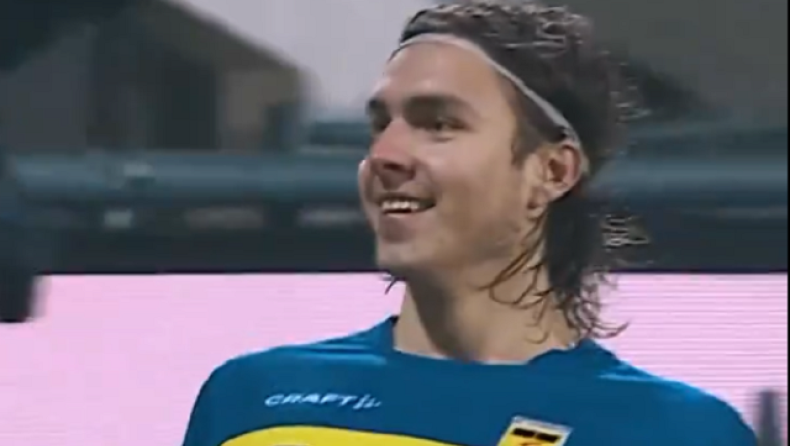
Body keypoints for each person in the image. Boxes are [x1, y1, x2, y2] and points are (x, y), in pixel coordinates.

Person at [182, 2, 757, 445]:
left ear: (552, 171)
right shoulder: (253, 404)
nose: (385, 155)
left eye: (439, 124)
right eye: (380, 125)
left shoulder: (678, 432)